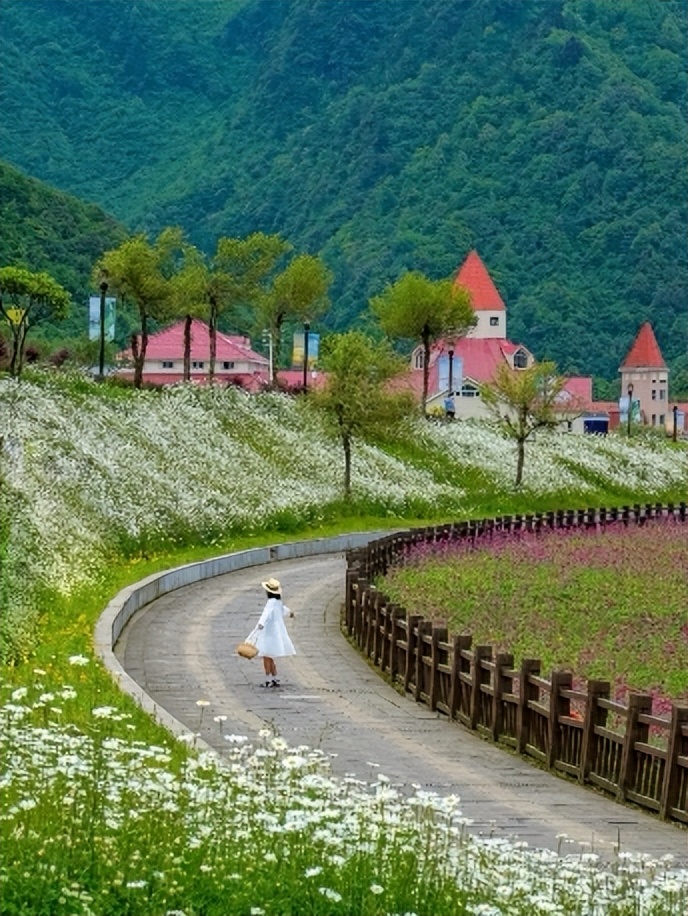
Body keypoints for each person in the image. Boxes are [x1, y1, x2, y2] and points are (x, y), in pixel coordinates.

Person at [246, 577, 295, 688]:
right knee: (270, 655)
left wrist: (260, 625)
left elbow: (266, 614)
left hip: (269, 631)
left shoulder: (270, 602)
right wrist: (290, 613)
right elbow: (284, 610)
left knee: (266, 655)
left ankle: (268, 678)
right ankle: (274, 677)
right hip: (275, 631)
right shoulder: (278, 602)